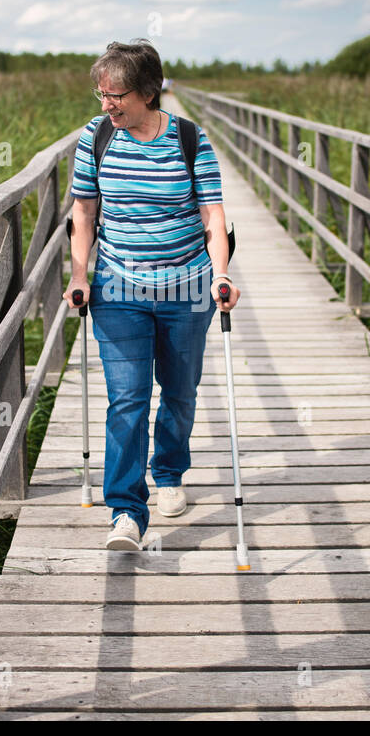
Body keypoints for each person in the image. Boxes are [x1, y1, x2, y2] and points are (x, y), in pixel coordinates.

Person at [64, 39, 241, 550]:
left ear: (148, 92)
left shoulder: (189, 138)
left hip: (188, 287)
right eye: (100, 94)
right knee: (127, 399)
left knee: (180, 391)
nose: (106, 105)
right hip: (118, 287)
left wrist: (221, 274)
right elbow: (84, 212)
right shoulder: (96, 138)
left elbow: (213, 214)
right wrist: (80, 275)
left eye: (114, 95)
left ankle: (168, 472)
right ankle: (126, 512)